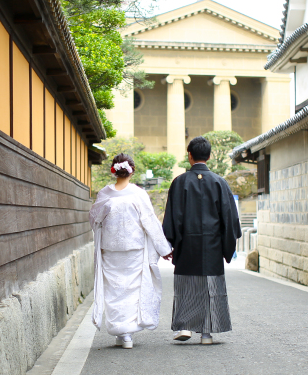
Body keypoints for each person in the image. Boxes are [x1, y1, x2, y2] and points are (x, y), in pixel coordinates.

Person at [89, 153, 173, 349]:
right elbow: (150, 222)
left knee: (114, 289)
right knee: (132, 289)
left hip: (110, 250)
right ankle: (127, 333)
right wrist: (164, 248)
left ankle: (121, 331)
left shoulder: (104, 194)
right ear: (132, 171)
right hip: (134, 249)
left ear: (113, 171)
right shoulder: (138, 194)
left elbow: (94, 220)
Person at [162, 136, 241, 345]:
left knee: (187, 286)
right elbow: (230, 218)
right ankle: (207, 333)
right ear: (209, 156)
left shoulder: (179, 182)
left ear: (189, 155)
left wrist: (170, 243)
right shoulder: (219, 182)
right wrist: (227, 246)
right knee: (210, 288)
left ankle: (186, 326)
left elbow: (172, 216)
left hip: (186, 243)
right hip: (212, 246)